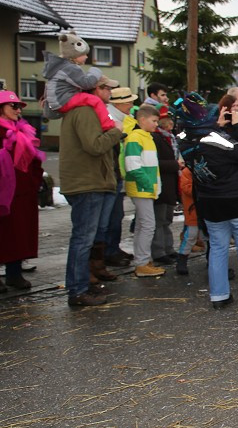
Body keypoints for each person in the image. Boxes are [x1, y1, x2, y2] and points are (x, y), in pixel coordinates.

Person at [175, 93, 238, 307]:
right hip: (236, 198)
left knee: (218, 247)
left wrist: (218, 126)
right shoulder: (214, 137)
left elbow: (211, 148)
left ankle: (219, 296)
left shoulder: (184, 137)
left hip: (208, 200)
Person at [59, 76, 125, 307]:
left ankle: (82, 285)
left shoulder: (85, 109)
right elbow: (94, 145)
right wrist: (116, 132)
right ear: (95, 89)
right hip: (87, 182)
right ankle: (77, 290)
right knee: (83, 238)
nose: (110, 93)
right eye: (107, 88)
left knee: (85, 237)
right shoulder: (85, 111)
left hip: (90, 181)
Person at [0, 91, 45, 292]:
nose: (18, 110)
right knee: (4, 233)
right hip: (4, 193)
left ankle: (14, 273)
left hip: (24, 191)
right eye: (13, 107)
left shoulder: (24, 131)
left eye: (19, 107)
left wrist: (35, 181)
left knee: (20, 233)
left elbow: (34, 159)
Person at [120, 104, 164, 277]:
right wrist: (147, 184)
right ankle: (142, 262)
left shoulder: (146, 137)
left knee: (142, 225)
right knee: (147, 225)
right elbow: (133, 165)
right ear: (143, 119)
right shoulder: (135, 138)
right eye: (154, 121)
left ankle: (142, 259)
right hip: (142, 188)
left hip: (146, 188)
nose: (156, 125)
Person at [150, 105, 181, 266]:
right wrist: (175, 165)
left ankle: (168, 248)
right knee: (159, 220)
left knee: (166, 218)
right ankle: (158, 251)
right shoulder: (155, 138)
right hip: (161, 184)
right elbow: (154, 162)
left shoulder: (169, 137)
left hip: (170, 185)